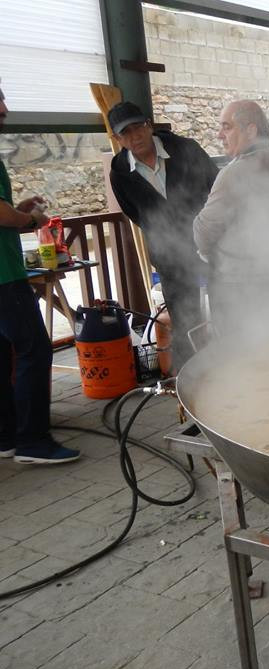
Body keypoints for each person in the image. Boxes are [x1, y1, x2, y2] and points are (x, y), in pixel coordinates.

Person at [0, 81, 80, 464]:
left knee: (3, 354)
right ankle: (33, 441)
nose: (4, 110)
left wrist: (17, 209)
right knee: (34, 350)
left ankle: (5, 437)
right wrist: (29, 217)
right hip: (4, 277)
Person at [108, 101, 219, 372]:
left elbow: (217, 190)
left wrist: (207, 228)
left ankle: (232, 368)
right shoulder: (120, 172)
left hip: (210, 243)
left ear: (149, 125)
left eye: (139, 128)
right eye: (126, 133)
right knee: (184, 320)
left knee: (226, 307)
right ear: (117, 138)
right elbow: (136, 213)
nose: (135, 137)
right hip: (168, 253)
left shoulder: (186, 149)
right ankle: (191, 380)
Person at [193, 100, 269, 333]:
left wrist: (207, 251)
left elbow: (203, 231)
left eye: (227, 127)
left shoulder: (233, 173)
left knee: (238, 358)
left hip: (237, 288)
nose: (219, 135)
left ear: (251, 130)